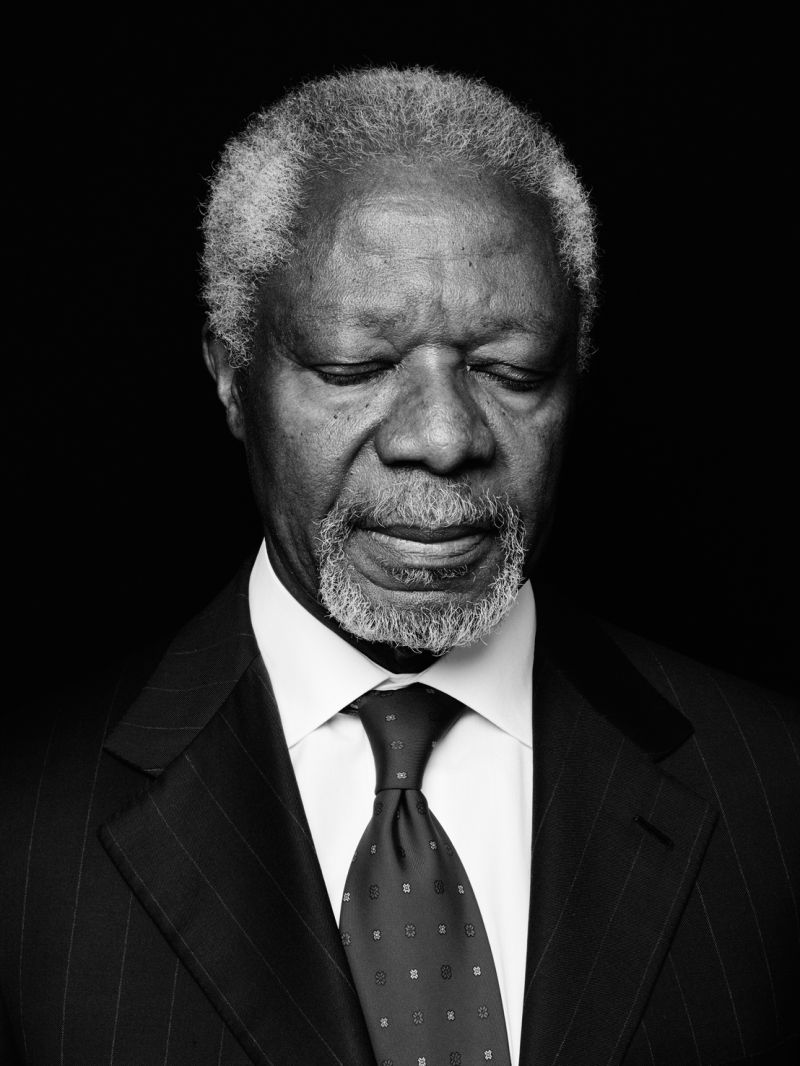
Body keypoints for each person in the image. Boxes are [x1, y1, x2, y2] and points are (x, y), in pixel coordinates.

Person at [1, 67, 797, 1066]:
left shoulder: (773, 792)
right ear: (231, 375)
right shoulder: (25, 833)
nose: (443, 438)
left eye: (510, 371)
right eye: (356, 367)